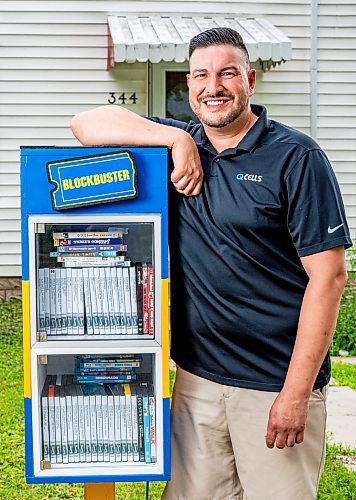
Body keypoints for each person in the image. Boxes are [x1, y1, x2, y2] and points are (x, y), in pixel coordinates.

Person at [71, 28, 352, 500]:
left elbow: (329, 278)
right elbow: (86, 123)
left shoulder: (297, 159)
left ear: (250, 80)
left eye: (227, 73)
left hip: (271, 385)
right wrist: (177, 140)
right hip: (198, 381)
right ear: (188, 83)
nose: (213, 86)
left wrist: (295, 394)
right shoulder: (180, 146)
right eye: (201, 75)